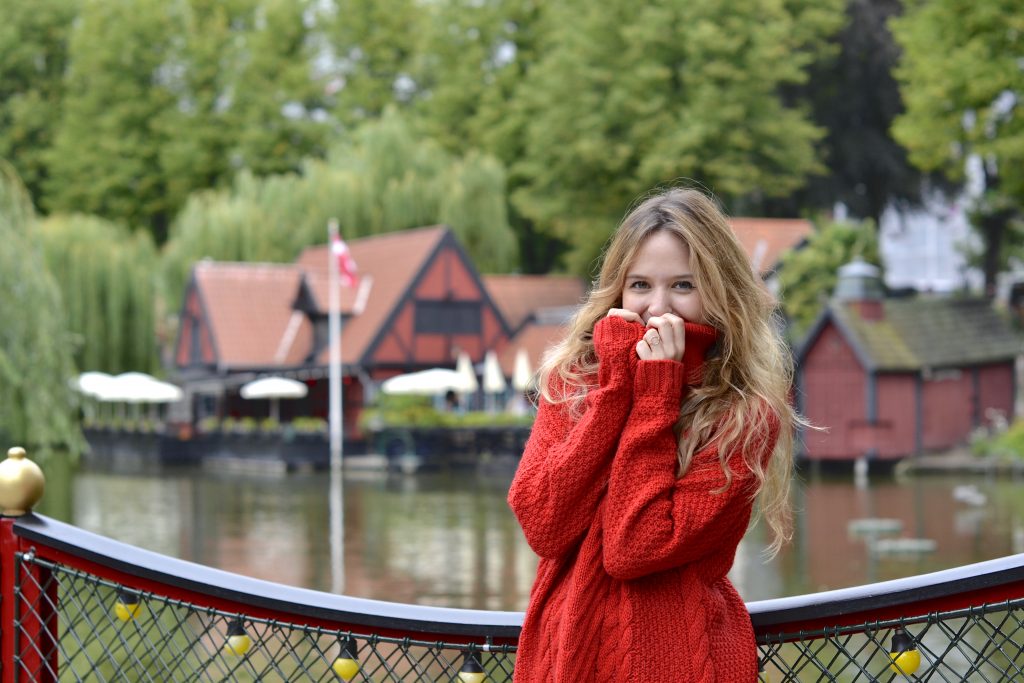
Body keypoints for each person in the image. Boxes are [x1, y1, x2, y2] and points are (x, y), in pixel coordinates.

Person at [507, 187, 799, 682]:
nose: (657, 308)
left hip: (679, 660)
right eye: (640, 284)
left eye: (683, 286)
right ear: (617, 290)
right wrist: (616, 391)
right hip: (564, 659)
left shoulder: (743, 415)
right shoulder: (574, 382)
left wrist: (655, 396)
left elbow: (633, 548)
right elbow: (542, 524)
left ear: (718, 292)